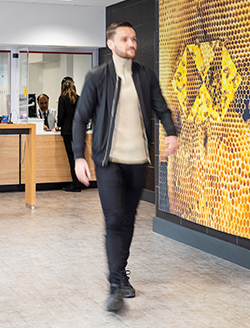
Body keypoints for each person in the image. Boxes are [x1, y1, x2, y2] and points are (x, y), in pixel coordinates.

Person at [73, 21, 178, 312]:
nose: (131, 43)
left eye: (133, 38)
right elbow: (80, 118)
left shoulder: (145, 76)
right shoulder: (97, 77)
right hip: (108, 161)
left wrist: (172, 132)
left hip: (137, 161)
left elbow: (161, 107)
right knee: (115, 219)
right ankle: (115, 282)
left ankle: (121, 272)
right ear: (111, 43)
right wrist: (79, 156)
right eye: (125, 39)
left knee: (129, 220)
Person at [56, 78, 81, 192]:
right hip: (78, 131)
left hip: (67, 132)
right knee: (78, 157)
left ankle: (75, 184)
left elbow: (61, 117)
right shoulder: (78, 98)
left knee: (71, 158)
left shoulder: (62, 99)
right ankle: (79, 181)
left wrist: (58, 125)